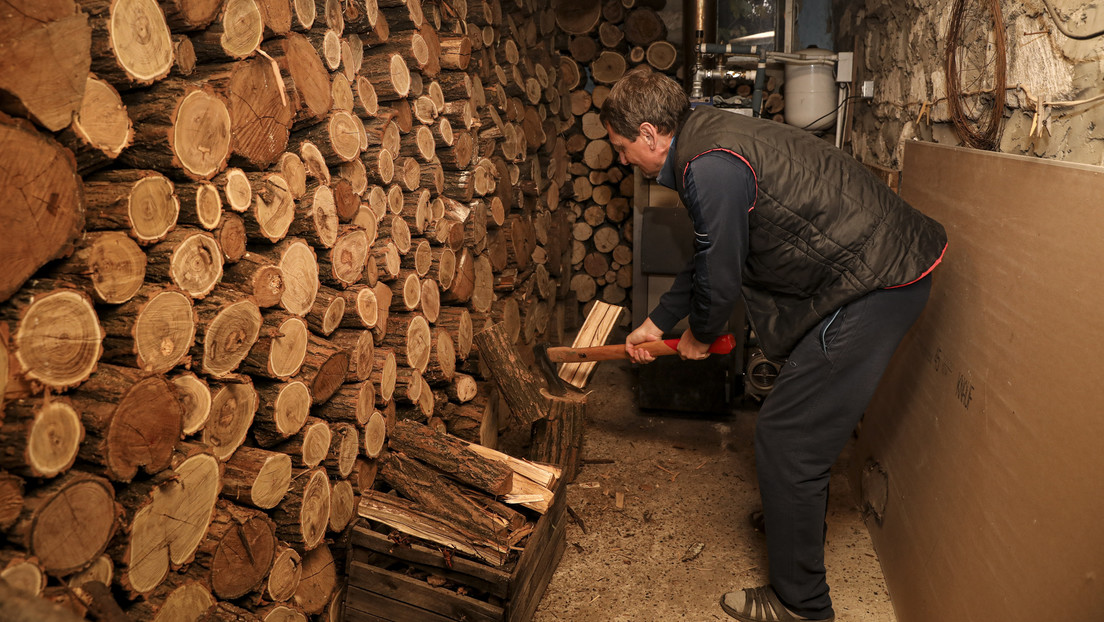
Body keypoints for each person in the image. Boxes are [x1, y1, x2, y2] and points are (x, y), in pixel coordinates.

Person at [600, 66, 947, 622]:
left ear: (648, 133)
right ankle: (795, 518)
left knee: (789, 440)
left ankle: (801, 606)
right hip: (877, 267)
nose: (623, 161)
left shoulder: (707, 167)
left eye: (622, 148)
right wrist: (660, 322)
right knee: (794, 430)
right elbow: (714, 248)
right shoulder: (708, 138)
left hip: (875, 282)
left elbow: (721, 272)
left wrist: (699, 335)